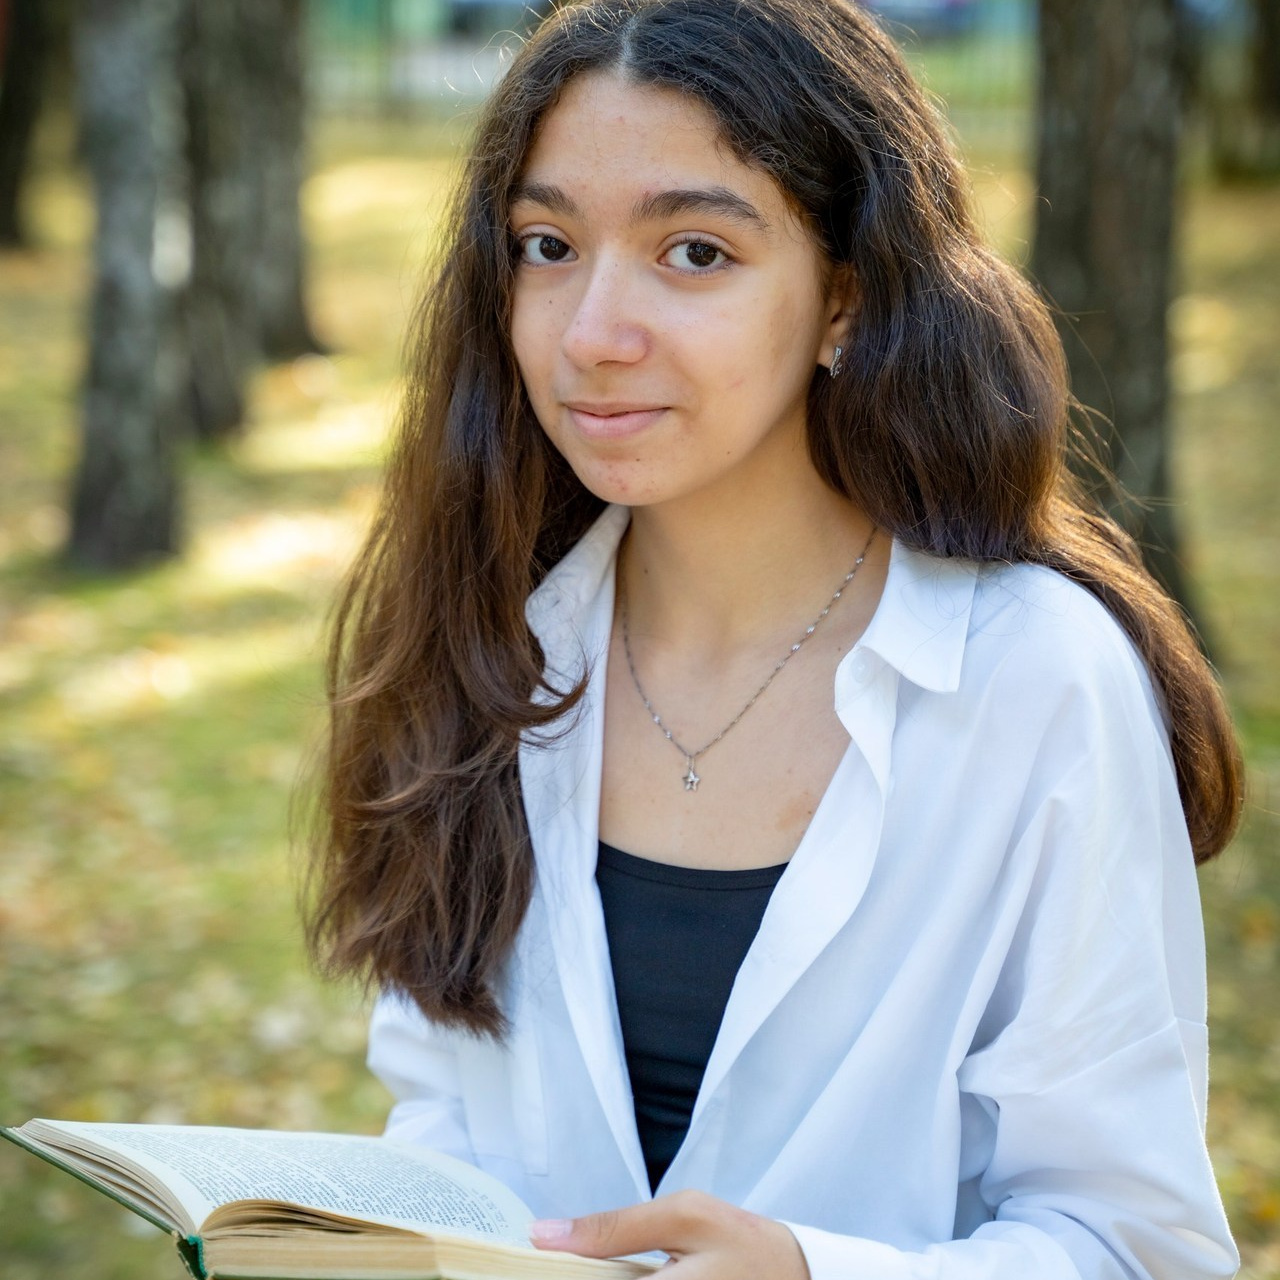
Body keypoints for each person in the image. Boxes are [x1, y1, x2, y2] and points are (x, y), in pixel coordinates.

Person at [303, 1, 1245, 1276]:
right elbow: (443, 1111)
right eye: (546, 244)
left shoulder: (1037, 680)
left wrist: (814, 1272)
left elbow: (1136, 1246)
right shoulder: (487, 647)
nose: (591, 332)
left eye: (692, 252)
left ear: (845, 301)